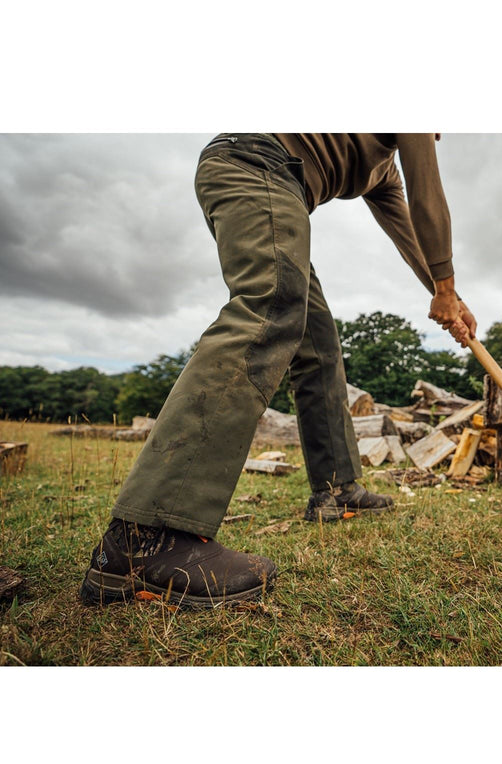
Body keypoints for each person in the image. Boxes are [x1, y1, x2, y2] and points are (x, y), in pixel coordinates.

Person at [79, 133, 476, 609]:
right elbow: (430, 195)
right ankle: (146, 536)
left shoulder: (383, 171)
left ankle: (337, 489)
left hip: (276, 184)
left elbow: (411, 230)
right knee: (270, 307)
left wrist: (449, 295)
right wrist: (445, 287)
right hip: (256, 166)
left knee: (318, 341)